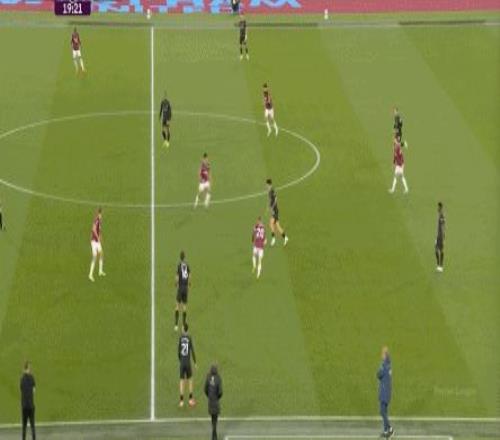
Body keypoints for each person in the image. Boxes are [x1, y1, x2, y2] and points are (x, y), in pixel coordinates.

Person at [178, 323, 197, 408]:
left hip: (182, 363)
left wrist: (180, 360)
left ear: (183, 329)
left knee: (182, 381)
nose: (181, 328)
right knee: (190, 380)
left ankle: (181, 401)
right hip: (188, 363)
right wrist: (195, 362)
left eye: (182, 327)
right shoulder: (189, 338)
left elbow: (178, 351)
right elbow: (192, 351)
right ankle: (190, 399)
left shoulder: (180, 338)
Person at [377, 346, 394, 438]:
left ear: (385, 354)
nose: (381, 355)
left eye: (382, 353)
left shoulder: (384, 366)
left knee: (382, 412)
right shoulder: (388, 364)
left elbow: (378, 374)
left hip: (384, 392)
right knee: (384, 412)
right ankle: (386, 431)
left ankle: (390, 428)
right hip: (387, 392)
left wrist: (380, 368)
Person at [266, 179, 288, 246]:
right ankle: (285, 237)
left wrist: (272, 207)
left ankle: (273, 239)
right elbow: (271, 200)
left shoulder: (272, 190)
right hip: (273, 210)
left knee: (271, 223)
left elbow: (275, 199)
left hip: (275, 210)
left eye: (266, 184)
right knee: (278, 226)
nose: (266, 186)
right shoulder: (269, 191)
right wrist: (269, 206)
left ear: (268, 184)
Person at [204, 364, 223, 440]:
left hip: (210, 401)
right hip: (216, 401)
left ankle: (214, 434)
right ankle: (214, 434)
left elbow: (205, 389)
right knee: (215, 418)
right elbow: (220, 392)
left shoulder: (208, 377)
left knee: (212, 418)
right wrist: (217, 398)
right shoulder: (218, 378)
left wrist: (209, 396)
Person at [174, 251, 191, 332]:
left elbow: (177, 276)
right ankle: (184, 324)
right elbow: (190, 275)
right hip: (185, 288)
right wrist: (189, 284)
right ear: (184, 257)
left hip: (180, 287)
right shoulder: (187, 265)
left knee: (177, 305)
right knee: (184, 306)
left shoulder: (179, 265)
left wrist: (176, 283)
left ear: (180, 257)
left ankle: (176, 325)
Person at [89, 208, 105, 282]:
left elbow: (99, 230)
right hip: (94, 241)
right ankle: (90, 275)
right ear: (98, 214)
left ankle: (100, 271)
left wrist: (100, 237)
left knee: (101, 254)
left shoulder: (99, 221)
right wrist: (97, 237)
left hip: (97, 241)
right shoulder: (96, 221)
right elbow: (93, 229)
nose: (101, 215)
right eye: (101, 214)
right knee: (94, 257)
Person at [20, 361, 36, 440]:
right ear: (29, 368)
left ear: (24, 369)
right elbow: (34, 390)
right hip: (31, 406)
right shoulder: (32, 378)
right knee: (32, 425)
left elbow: (21, 389)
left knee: (24, 426)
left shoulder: (22, 379)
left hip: (24, 406)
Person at [435, 202, 445, 272]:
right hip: (438, 235)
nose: (437, 208)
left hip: (440, 236)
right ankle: (439, 265)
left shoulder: (441, 215)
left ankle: (440, 266)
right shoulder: (440, 214)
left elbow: (442, 225)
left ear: (440, 207)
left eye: (438, 207)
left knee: (438, 250)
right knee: (437, 250)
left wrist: (442, 236)